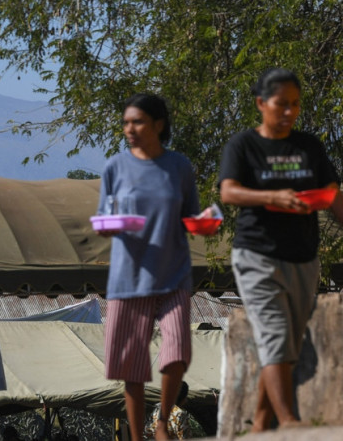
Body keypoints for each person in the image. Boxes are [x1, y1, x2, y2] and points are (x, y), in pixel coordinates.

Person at [219, 67, 343, 431]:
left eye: (295, 104)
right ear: (261, 104)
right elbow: (228, 192)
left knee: (287, 343)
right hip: (257, 255)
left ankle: (259, 423)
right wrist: (271, 196)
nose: (289, 111)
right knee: (274, 334)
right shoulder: (243, 145)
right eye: (281, 104)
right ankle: (289, 421)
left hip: (303, 257)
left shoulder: (309, 147)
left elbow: (332, 195)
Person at [98, 93, 201, 441]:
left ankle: (162, 422)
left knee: (177, 352)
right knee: (132, 366)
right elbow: (105, 217)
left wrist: (205, 223)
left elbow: (191, 217)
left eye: (137, 121)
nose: (129, 129)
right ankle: (137, 436)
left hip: (174, 273)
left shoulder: (180, 167)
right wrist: (119, 223)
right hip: (129, 276)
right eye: (126, 122)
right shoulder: (115, 167)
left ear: (158, 124)